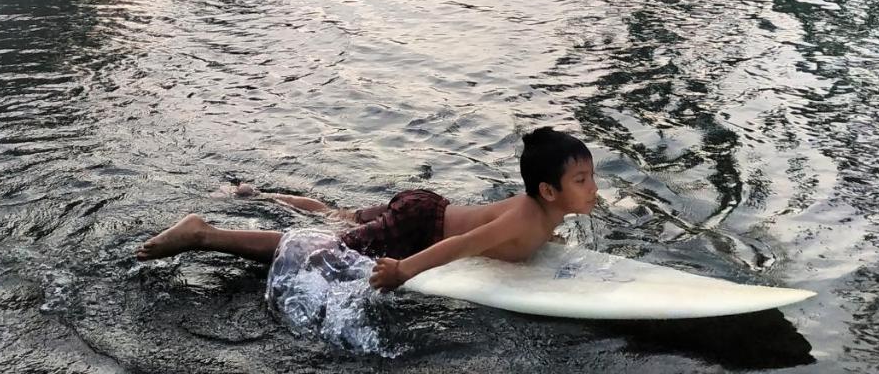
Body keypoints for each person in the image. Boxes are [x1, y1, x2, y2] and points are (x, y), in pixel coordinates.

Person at [135, 126, 597, 291]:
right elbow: (462, 244)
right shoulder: (525, 215)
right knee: (320, 251)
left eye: (591, 177)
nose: (594, 188)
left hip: (423, 208)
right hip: (420, 225)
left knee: (339, 214)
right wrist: (403, 271)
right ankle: (203, 233)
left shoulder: (543, 215)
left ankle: (256, 195)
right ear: (548, 191)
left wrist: (547, 239)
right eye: (582, 180)